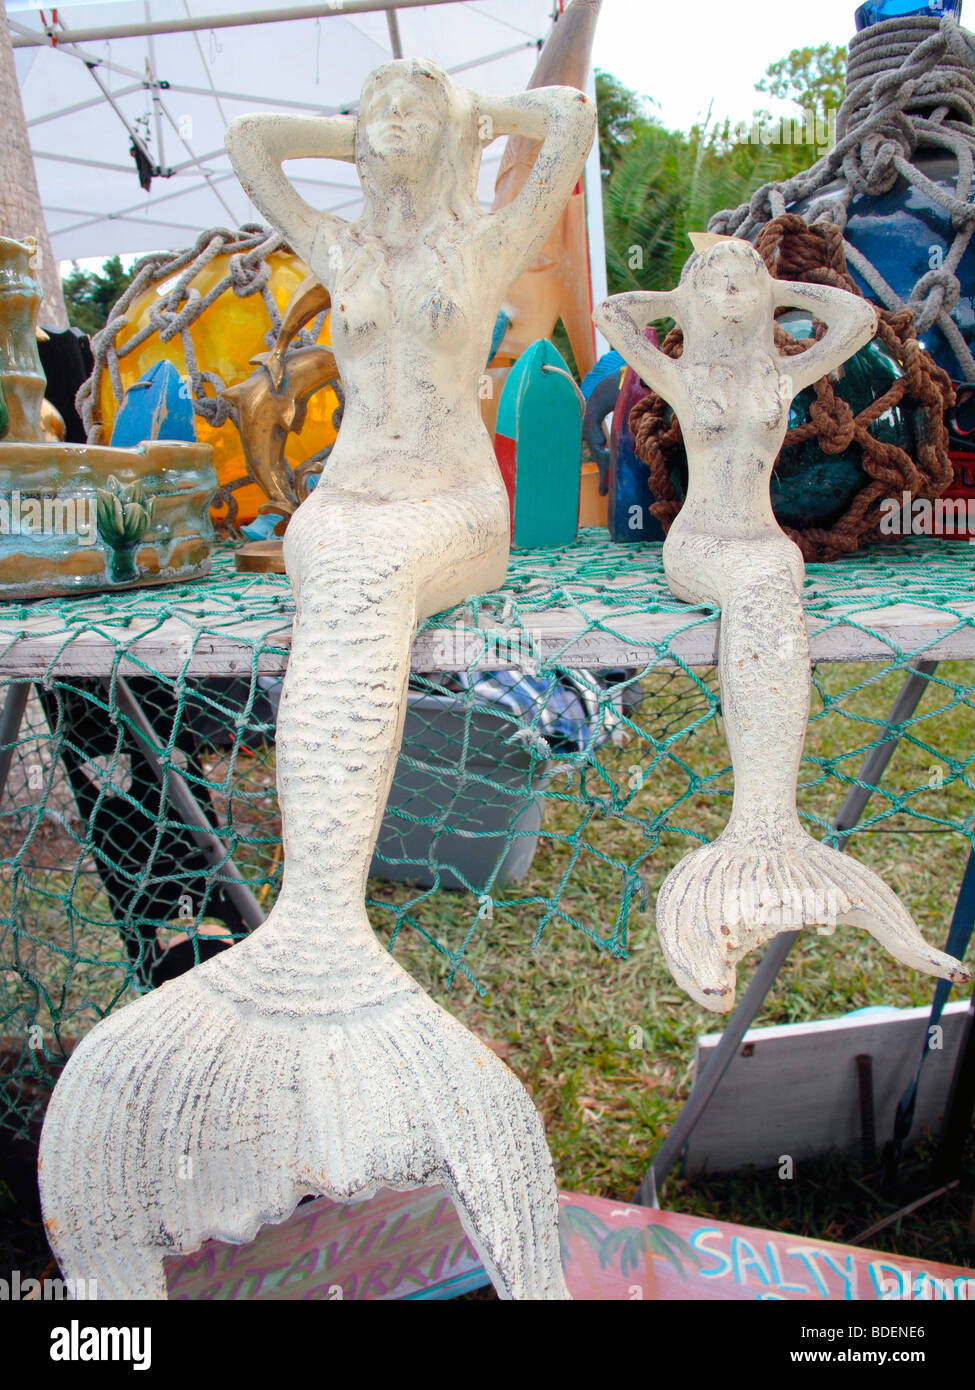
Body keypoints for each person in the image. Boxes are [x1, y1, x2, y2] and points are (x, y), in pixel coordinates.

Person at [38, 59, 595, 1301]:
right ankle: (310, 928)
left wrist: (464, 118)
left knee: (367, 563)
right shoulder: (341, 246)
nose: (391, 128)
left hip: (453, 503)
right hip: (346, 493)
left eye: (416, 113)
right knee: (330, 542)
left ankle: (325, 927)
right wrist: (360, 127)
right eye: (374, 112)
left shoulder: (494, 235)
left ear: (447, 135)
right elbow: (245, 141)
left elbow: (567, 123)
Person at [595, 238, 969, 1011]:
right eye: (715, 284)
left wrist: (773, 286)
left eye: (744, 285)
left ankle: (772, 832)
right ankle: (757, 830)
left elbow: (856, 317)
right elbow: (615, 313)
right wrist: (680, 300)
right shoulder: (679, 370)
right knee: (765, 579)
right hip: (699, 544)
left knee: (773, 574)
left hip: (765, 541)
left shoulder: (779, 370)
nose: (729, 295)